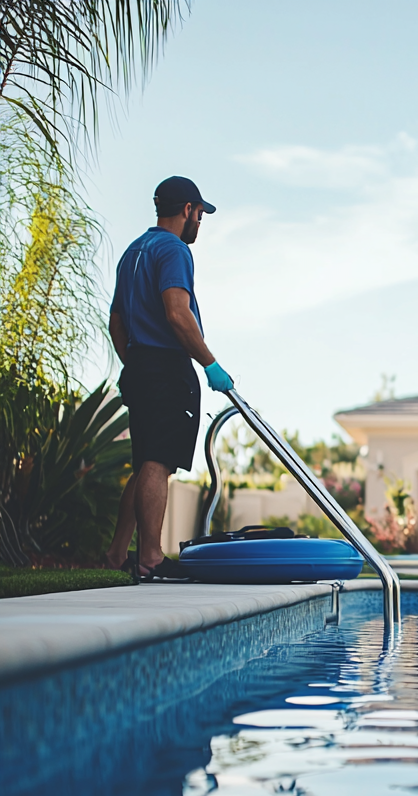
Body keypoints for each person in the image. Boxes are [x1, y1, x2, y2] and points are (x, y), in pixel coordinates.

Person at [104, 176, 235, 580]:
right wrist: (210, 364)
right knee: (158, 463)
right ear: (187, 211)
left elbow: (116, 324)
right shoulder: (174, 250)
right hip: (166, 368)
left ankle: (114, 555)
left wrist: (135, 364)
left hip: (141, 366)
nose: (200, 222)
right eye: (200, 214)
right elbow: (178, 313)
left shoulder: (134, 251)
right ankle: (150, 558)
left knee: (145, 461)